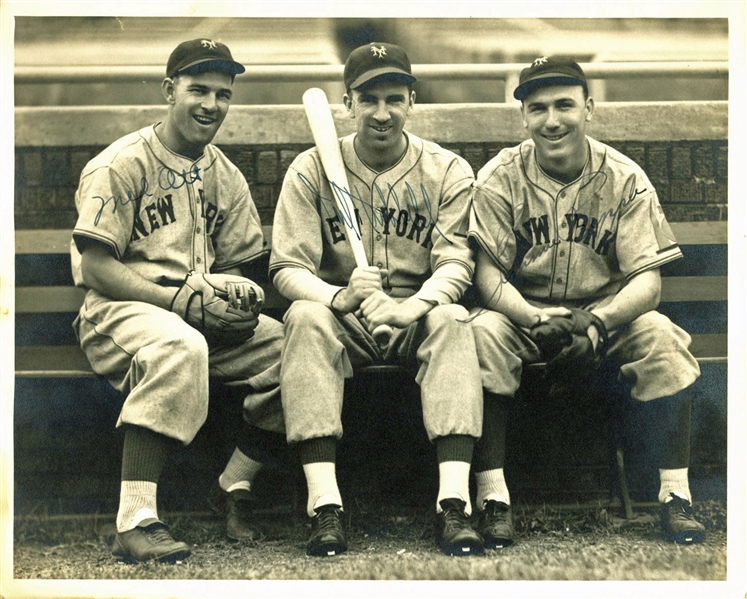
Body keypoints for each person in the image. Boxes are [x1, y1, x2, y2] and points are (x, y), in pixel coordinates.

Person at [467, 56, 706, 547]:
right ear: (524, 117)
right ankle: (493, 498)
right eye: (538, 109)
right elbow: (487, 278)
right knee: (481, 335)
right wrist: (532, 317)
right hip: (521, 314)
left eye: (564, 105)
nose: (551, 120)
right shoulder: (499, 177)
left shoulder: (624, 177)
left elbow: (647, 284)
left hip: (605, 313)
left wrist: (596, 322)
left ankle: (675, 496)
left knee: (662, 338)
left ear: (589, 107)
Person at [71, 39, 285, 563]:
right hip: (117, 312)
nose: (211, 104)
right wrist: (176, 304)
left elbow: (237, 269)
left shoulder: (225, 174)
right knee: (180, 344)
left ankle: (233, 486)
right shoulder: (119, 164)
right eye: (198, 90)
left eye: (222, 93)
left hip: (193, 313)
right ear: (170, 91)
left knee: (295, 346)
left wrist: (237, 299)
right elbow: (97, 268)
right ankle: (136, 519)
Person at [270, 42, 484, 557]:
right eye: (369, 99)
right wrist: (338, 295)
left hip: (418, 313)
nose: (382, 113)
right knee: (303, 316)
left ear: (412, 101)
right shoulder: (310, 168)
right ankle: (325, 506)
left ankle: (454, 505)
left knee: (456, 319)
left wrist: (411, 306)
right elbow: (287, 268)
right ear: (348, 103)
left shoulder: (447, 170)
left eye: (394, 98)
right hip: (343, 317)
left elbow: (456, 264)